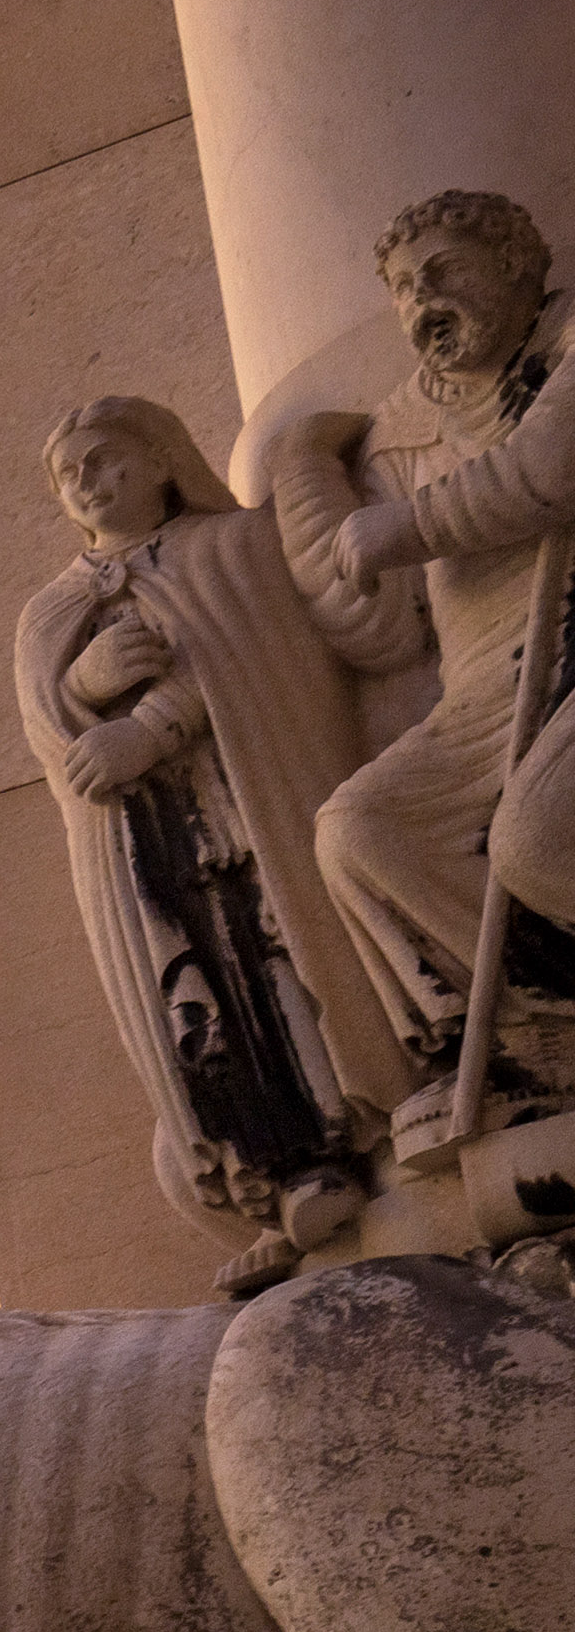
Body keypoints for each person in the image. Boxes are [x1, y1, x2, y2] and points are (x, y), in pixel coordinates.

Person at [18, 396, 393, 1282]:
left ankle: (342, 1143)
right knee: (201, 994)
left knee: (275, 959)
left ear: (161, 461)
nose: (90, 484)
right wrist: (83, 682)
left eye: (108, 460)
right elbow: (48, 726)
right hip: (146, 846)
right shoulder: (52, 610)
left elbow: (253, 663)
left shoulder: (228, 550)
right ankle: (269, 1178)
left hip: (245, 809)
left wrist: (150, 724)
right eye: (71, 477)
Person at [270, 192, 575, 1131]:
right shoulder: (407, 426)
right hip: (483, 694)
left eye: (444, 272)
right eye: (404, 289)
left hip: (568, 656)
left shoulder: (567, 346)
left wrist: (403, 525)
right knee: (359, 827)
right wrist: (302, 469)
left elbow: (546, 475)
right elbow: (377, 632)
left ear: (519, 264)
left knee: (536, 842)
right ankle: (529, 1033)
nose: (421, 302)